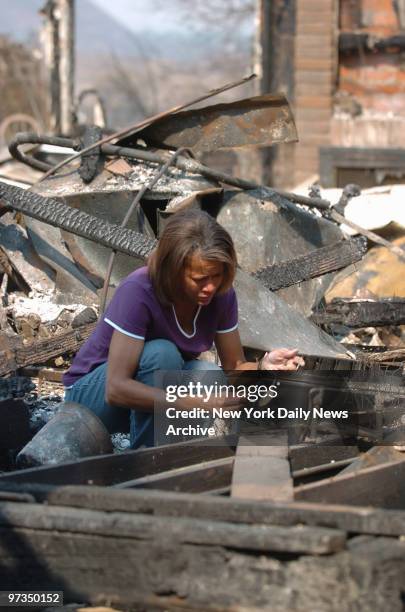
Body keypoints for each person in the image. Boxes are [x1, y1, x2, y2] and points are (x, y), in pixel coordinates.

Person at [64, 210, 303, 449]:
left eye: (217, 276)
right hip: (90, 402)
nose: (210, 287)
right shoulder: (139, 290)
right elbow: (115, 390)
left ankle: (173, 456)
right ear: (173, 272)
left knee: (208, 374)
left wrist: (264, 366)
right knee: (161, 353)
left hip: (146, 398)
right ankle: (148, 460)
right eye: (199, 279)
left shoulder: (221, 296)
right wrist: (198, 403)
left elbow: (235, 368)